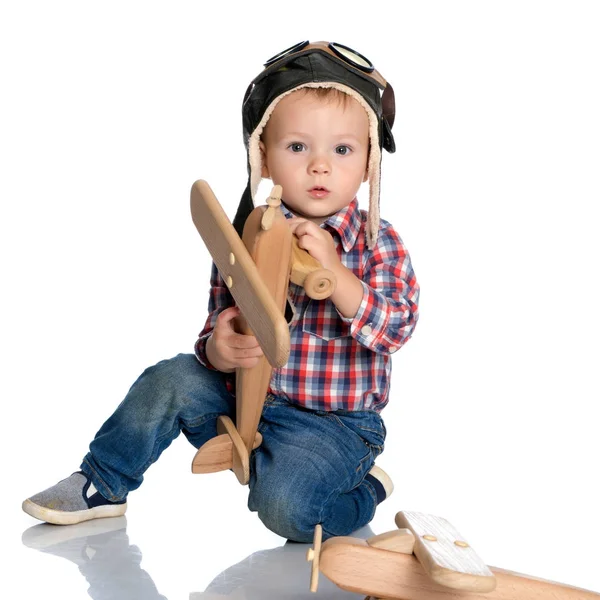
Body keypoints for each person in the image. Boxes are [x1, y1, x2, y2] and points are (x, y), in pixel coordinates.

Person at [22, 41, 420, 543]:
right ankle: (103, 483)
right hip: (244, 399)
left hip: (332, 424)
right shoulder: (247, 236)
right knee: (169, 379)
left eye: (342, 150)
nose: (320, 166)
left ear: (367, 164)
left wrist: (339, 277)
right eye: (298, 147)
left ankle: (363, 492)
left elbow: (397, 329)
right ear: (265, 157)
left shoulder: (377, 243)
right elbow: (217, 324)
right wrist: (218, 345)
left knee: (287, 509)